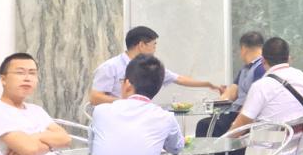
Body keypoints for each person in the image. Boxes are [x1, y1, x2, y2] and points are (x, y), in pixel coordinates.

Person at [88, 25, 223, 107]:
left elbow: (179, 79)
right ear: (141, 45)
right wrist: (127, 104)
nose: (155, 49)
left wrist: (207, 84)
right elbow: (95, 98)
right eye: (154, 45)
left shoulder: (150, 68)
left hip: (141, 118)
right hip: (115, 120)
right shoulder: (110, 67)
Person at [196, 31, 266, 155]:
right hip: (236, 112)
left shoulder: (260, 68)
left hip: (245, 116)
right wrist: (218, 103)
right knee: (206, 124)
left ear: (243, 49)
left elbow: (255, 101)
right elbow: (233, 89)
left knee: (206, 127)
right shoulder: (245, 68)